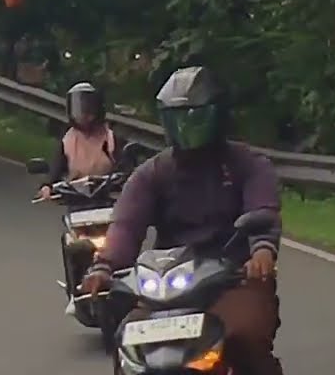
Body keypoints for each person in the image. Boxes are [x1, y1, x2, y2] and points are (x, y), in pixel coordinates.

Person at [81, 66, 283, 375]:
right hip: (166, 290)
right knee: (128, 346)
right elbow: (126, 225)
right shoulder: (152, 173)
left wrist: (262, 250)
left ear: (218, 115)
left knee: (245, 338)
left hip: (236, 279)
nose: (186, 127)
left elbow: (263, 209)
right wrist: (103, 266)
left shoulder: (248, 164)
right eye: (176, 118)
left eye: (195, 117)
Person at [37, 82, 117, 200]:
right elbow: (57, 166)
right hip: (76, 199)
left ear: (98, 109)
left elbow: (124, 170)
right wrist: (47, 186)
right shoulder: (68, 139)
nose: (82, 115)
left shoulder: (111, 137)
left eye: (88, 109)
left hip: (107, 199)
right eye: (78, 110)